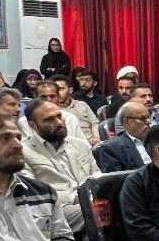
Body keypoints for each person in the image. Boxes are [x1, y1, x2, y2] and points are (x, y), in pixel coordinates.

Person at [21, 97, 101, 232]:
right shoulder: (23, 152)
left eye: (59, 116)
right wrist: (75, 198)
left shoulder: (79, 145)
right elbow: (33, 192)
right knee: (95, 213)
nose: (59, 123)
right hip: (56, 207)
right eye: (49, 119)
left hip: (90, 200)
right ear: (33, 125)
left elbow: (97, 177)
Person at [95, 102, 155, 172]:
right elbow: (117, 177)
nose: (148, 122)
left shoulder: (157, 139)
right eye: (142, 118)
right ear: (126, 121)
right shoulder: (111, 148)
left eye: (148, 117)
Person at [49, 74, 99, 147]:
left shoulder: (82, 105)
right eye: (54, 91)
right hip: (71, 146)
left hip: (92, 142)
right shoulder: (53, 111)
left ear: (70, 90)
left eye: (61, 89)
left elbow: (94, 122)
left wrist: (97, 137)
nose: (57, 93)